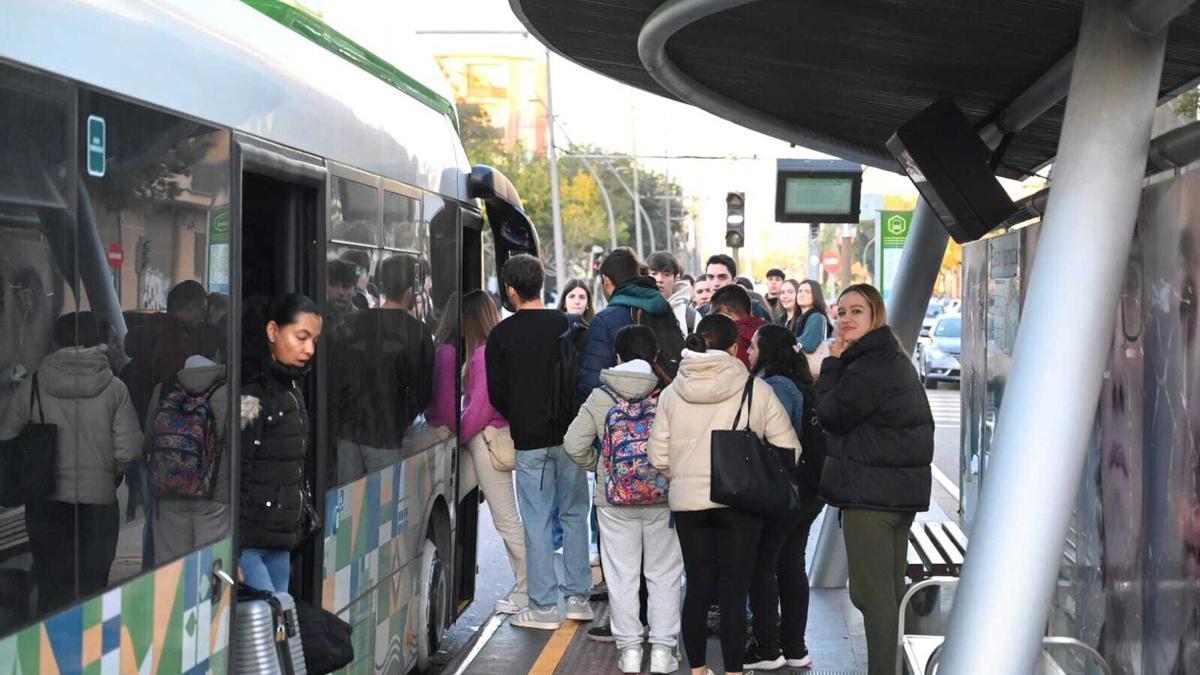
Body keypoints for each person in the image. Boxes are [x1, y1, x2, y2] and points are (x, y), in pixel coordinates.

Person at [649, 313, 800, 675]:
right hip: (741, 503)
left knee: (698, 588)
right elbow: (790, 449)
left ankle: (698, 669)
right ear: (736, 347)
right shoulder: (754, 388)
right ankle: (733, 670)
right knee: (735, 590)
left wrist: (685, 474)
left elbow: (657, 456)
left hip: (688, 505)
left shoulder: (672, 393)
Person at [817, 283, 933, 675]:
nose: (845, 319)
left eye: (856, 312)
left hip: (872, 498)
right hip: (894, 495)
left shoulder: (868, 366)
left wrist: (831, 363)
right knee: (889, 591)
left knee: (872, 595)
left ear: (876, 317)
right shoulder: (889, 358)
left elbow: (831, 413)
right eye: (841, 312)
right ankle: (894, 666)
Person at [0, 312, 142, 614]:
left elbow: (6, 435)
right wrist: (108, 474)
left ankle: (49, 651)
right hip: (98, 505)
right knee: (92, 588)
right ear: (99, 342)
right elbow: (129, 449)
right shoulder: (114, 388)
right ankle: (87, 653)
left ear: (55, 343)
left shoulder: (34, 385)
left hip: (46, 501)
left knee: (52, 584)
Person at [565, 326, 682, 674]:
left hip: (614, 501)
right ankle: (662, 652)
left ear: (617, 357)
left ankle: (629, 651)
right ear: (655, 355)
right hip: (663, 498)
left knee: (621, 575)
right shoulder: (669, 394)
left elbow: (574, 445)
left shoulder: (601, 397)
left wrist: (603, 469)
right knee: (663, 574)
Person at [485, 254, 594, 630]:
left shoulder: (501, 334)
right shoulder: (570, 325)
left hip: (529, 440)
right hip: (572, 437)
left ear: (511, 291)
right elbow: (585, 381)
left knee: (537, 520)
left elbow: (496, 393)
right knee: (575, 514)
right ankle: (580, 598)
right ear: (542, 282)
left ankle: (544, 607)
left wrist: (520, 414)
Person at [429, 290, 528, 614]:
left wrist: (456, 433)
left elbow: (480, 410)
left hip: (485, 441)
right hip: (484, 440)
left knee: (506, 519)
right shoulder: (492, 351)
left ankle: (527, 590)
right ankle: (528, 587)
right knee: (449, 495)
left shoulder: (481, 355)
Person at [743, 324, 824, 671]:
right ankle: (795, 647)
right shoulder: (803, 384)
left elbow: (773, 439)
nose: (748, 351)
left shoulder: (773, 385)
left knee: (763, 565)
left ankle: (768, 649)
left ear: (768, 351)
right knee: (791, 564)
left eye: (754, 347)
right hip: (808, 488)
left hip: (782, 490)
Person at [239, 293, 323, 593]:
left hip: (280, 541)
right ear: (273, 331)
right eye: (301, 337)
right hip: (249, 545)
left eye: (314, 340)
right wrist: (232, 548)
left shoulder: (291, 387)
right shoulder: (250, 394)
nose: (309, 349)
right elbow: (237, 469)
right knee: (269, 621)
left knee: (280, 628)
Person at [329, 252, 434, 484]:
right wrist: (399, 422)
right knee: (383, 509)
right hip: (386, 434)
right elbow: (423, 392)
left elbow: (335, 378)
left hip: (347, 434)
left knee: (348, 508)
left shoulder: (351, 323)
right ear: (410, 291)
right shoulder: (418, 333)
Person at [147, 353, 231, 565]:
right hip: (214, 495)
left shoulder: (163, 390)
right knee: (211, 568)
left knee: (170, 570)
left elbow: (149, 439)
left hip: (168, 493)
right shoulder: (228, 392)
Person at [579, 248, 680, 399]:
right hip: (667, 406)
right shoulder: (663, 307)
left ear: (606, 280)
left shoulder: (604, 321)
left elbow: (593, 383)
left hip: (624, 416)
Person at [709, 285, 768, 368]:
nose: (714, 321)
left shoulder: (733, 339)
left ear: (725, 310)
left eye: (714, 315)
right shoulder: (769, 329)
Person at [700, 254, 771, 320]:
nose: (716, 283)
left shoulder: (756, 309)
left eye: (722, 277)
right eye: (710, 277)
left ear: (734, 281)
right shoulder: (700, 314)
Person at [647, 250, 698, 337]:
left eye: (666, 274)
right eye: (654, 274)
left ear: (675, 279)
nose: (659, 279)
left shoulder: (690, 316)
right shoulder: (635, 312)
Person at [795, 279, 832, 355]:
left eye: (807, 292)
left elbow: (809, 345)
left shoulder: (816, 317)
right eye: (800, 291)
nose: (802, 294)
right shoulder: (800, 318)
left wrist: (788, 341)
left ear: (815, 295)